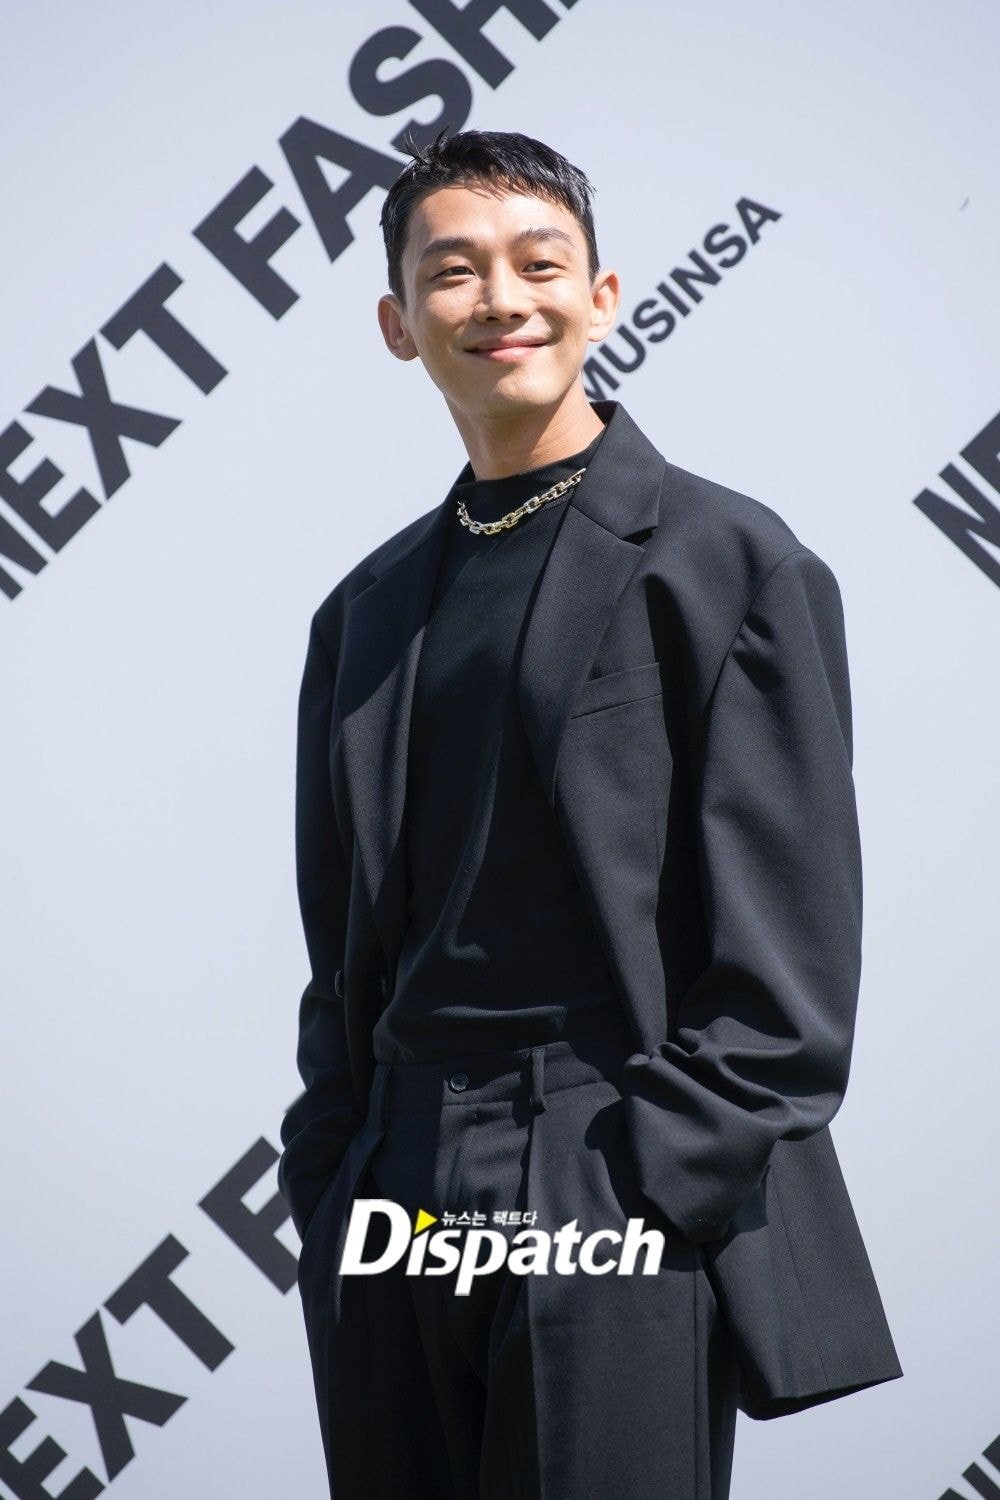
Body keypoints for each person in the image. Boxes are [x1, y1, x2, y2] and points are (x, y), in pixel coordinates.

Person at [277, 128, 902, 1500]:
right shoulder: (363, 613)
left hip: (604, 1152)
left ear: (603, 297)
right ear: (398, 323)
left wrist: (648, 1173)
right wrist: (333, 1181)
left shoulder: (728, 562)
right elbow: (342, 953)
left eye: (538, 263)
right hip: (395, 1181)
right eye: (453, 271)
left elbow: (791, 974)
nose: (499, 298)